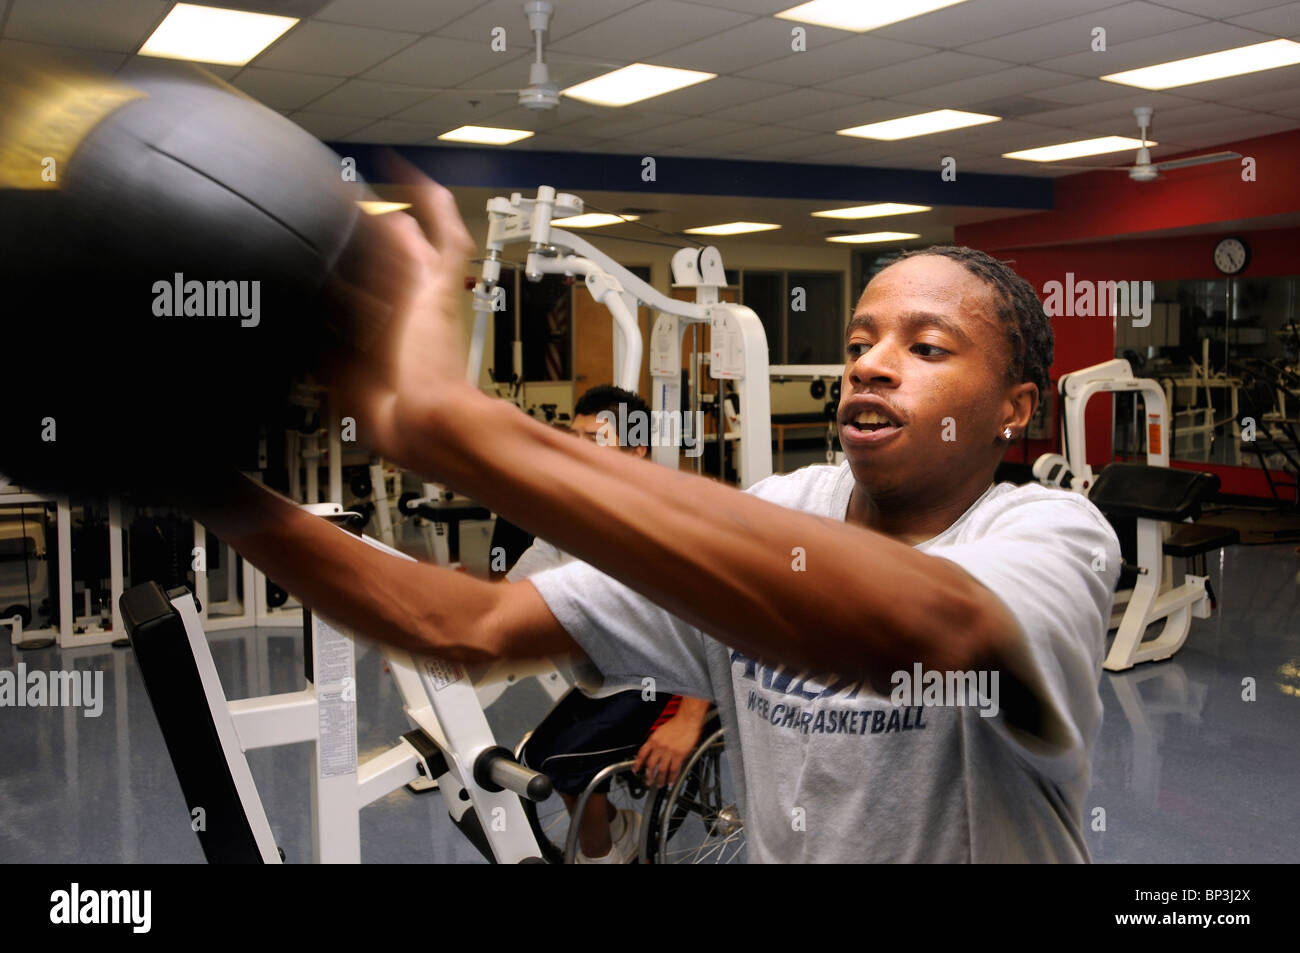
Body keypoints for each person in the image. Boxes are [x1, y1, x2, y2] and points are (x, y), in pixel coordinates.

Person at [188, 176, 1121, 862]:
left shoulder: (1050, 538)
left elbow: (929, 628)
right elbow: (466, 624)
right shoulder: (780, 512)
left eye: (924, 347)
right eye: (858, 342)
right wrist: (202, 483)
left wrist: (455, 425)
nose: (871, 365)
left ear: (1014, 408)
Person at [505, 384, 712, 864]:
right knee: (537, 760)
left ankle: (601, 857)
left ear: (636, 447)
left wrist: (687, 720)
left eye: (591, 439)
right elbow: (514, 591)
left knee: (562, 765)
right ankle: (620, 830)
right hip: (613, 676)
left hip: (672, 677)